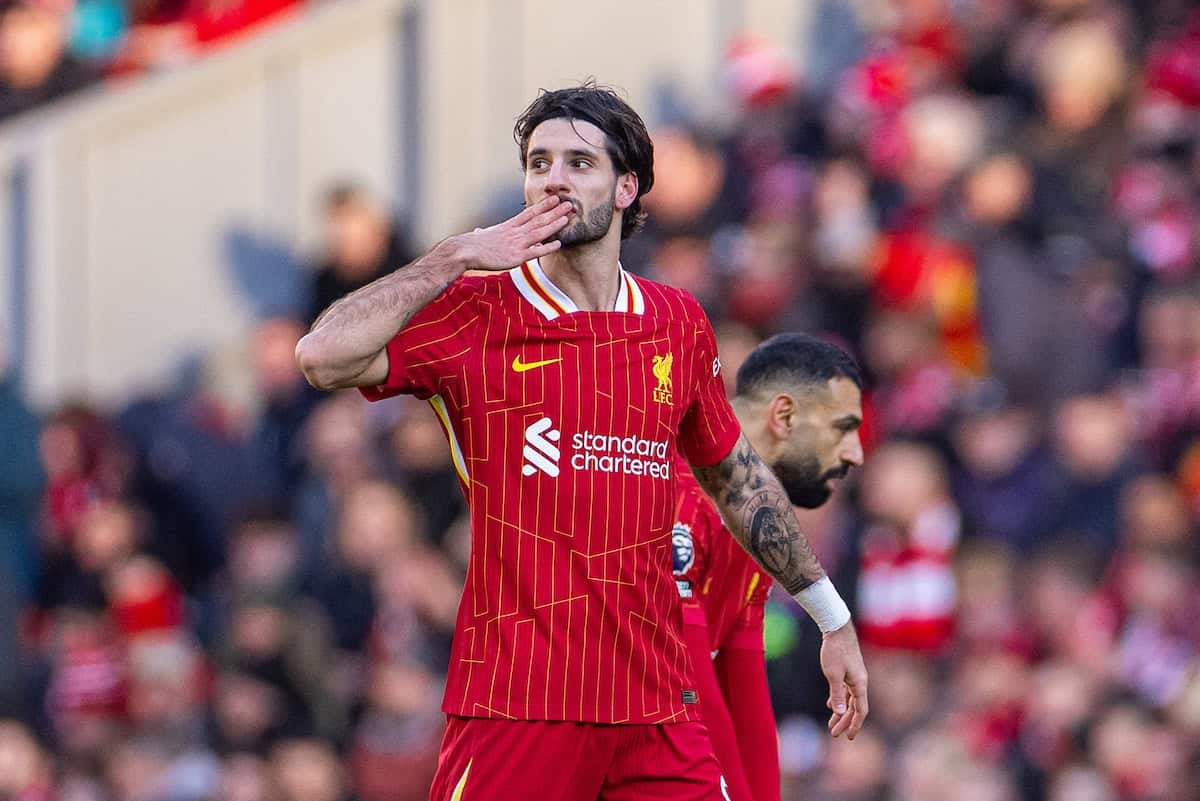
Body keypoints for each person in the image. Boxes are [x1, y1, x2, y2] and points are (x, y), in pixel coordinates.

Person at [295, 83, 868, 800]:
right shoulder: (477, 310)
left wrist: (830, 617)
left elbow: (738, 479)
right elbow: (322, 356)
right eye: (539, 163)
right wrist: (452, 257)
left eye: (578, 162)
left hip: (657, 703)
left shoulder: (675, 321)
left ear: (627, 186)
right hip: (522, 702)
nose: (553, 180)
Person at [671, 333, 865, 801]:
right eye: (842, 428)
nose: (856, 453)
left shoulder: (757, 523)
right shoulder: (679, 491)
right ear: (784, 417)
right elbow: (687, 677)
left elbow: (741, 682)